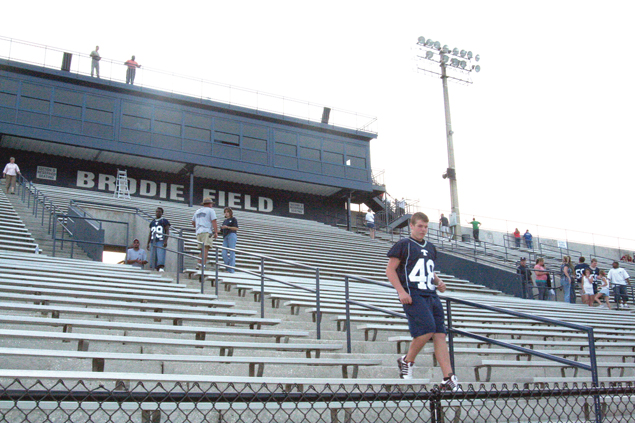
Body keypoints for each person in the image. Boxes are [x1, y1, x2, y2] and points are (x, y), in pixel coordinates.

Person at [386, 212, 460, 391]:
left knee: (440, 334)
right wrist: (401, 291)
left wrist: (438, 281)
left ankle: (448, 378)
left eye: (426, 227)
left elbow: (428, 270)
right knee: (426, 330)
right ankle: (406, 360)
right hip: (414, 293)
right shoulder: (404, 244)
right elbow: (390, 270)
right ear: (411, 226)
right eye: (420, 226)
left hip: (431, 294)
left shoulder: (431, 247)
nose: (423, 230)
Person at [192, 198, 218, 269]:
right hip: (206, 231)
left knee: (201, 249)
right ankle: (203, 265)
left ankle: (199, 263)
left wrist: (197, 227)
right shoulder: (211, 210)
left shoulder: (197, 211)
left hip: (198, 232)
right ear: (210, 204)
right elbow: (214, 221)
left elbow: (193, 222)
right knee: (206, 248)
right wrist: (216, 232)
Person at [147, 207, 170, 272]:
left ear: (162, 213)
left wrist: (165, 241)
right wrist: (148, 242)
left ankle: (160, 267)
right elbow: (150, 232)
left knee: (160, 254)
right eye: (156, 211)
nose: (157, 213)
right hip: (153, 240)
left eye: (159, 212)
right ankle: (154, 267)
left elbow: (167, 231)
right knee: (153, 255)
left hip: (160, 239)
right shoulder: (153, 222)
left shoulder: (164, 221)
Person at [221, 207, 238, 273]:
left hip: (231, 235)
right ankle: (228, 267)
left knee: (231, 252)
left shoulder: (233, 219)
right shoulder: (225, 221)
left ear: (230, 213)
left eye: (228, 212)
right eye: (225, 212)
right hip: (225, 236)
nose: (226, 213)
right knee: (223, 252)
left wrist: (227, 227)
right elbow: (222, 230)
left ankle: (231, 269)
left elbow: (236, 228)